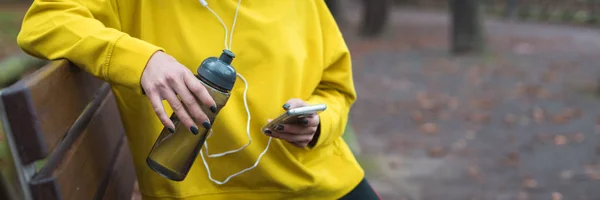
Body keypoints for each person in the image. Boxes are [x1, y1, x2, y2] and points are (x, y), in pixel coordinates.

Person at [17, 0, 381, 199]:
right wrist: (142, 61)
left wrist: (320, 123)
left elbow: (336, 88)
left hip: (322, 185)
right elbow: (45, 22)